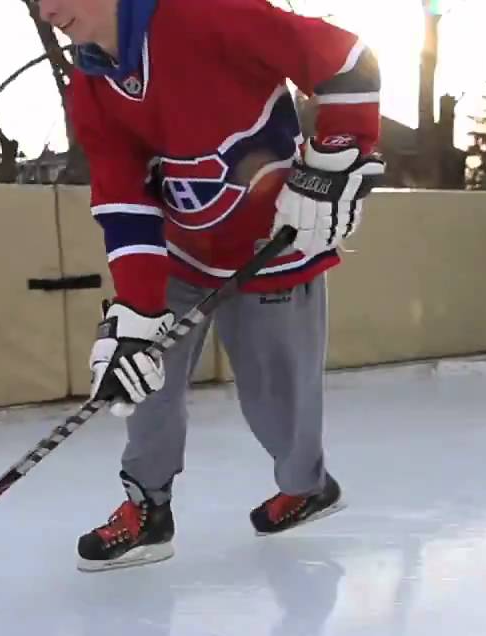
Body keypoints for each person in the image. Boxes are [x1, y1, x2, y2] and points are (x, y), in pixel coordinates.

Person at [35, 0, 386, 572]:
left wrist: (340, 150)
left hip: (274, 246)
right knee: (147, 379)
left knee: (276, 398)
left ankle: (306, 486)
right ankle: (147, 510)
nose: (47, 10)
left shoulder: (201, 14)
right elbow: (125, 204)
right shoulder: (91, 88)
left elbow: (345, 57)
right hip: (180, 255)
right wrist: (138, 312)